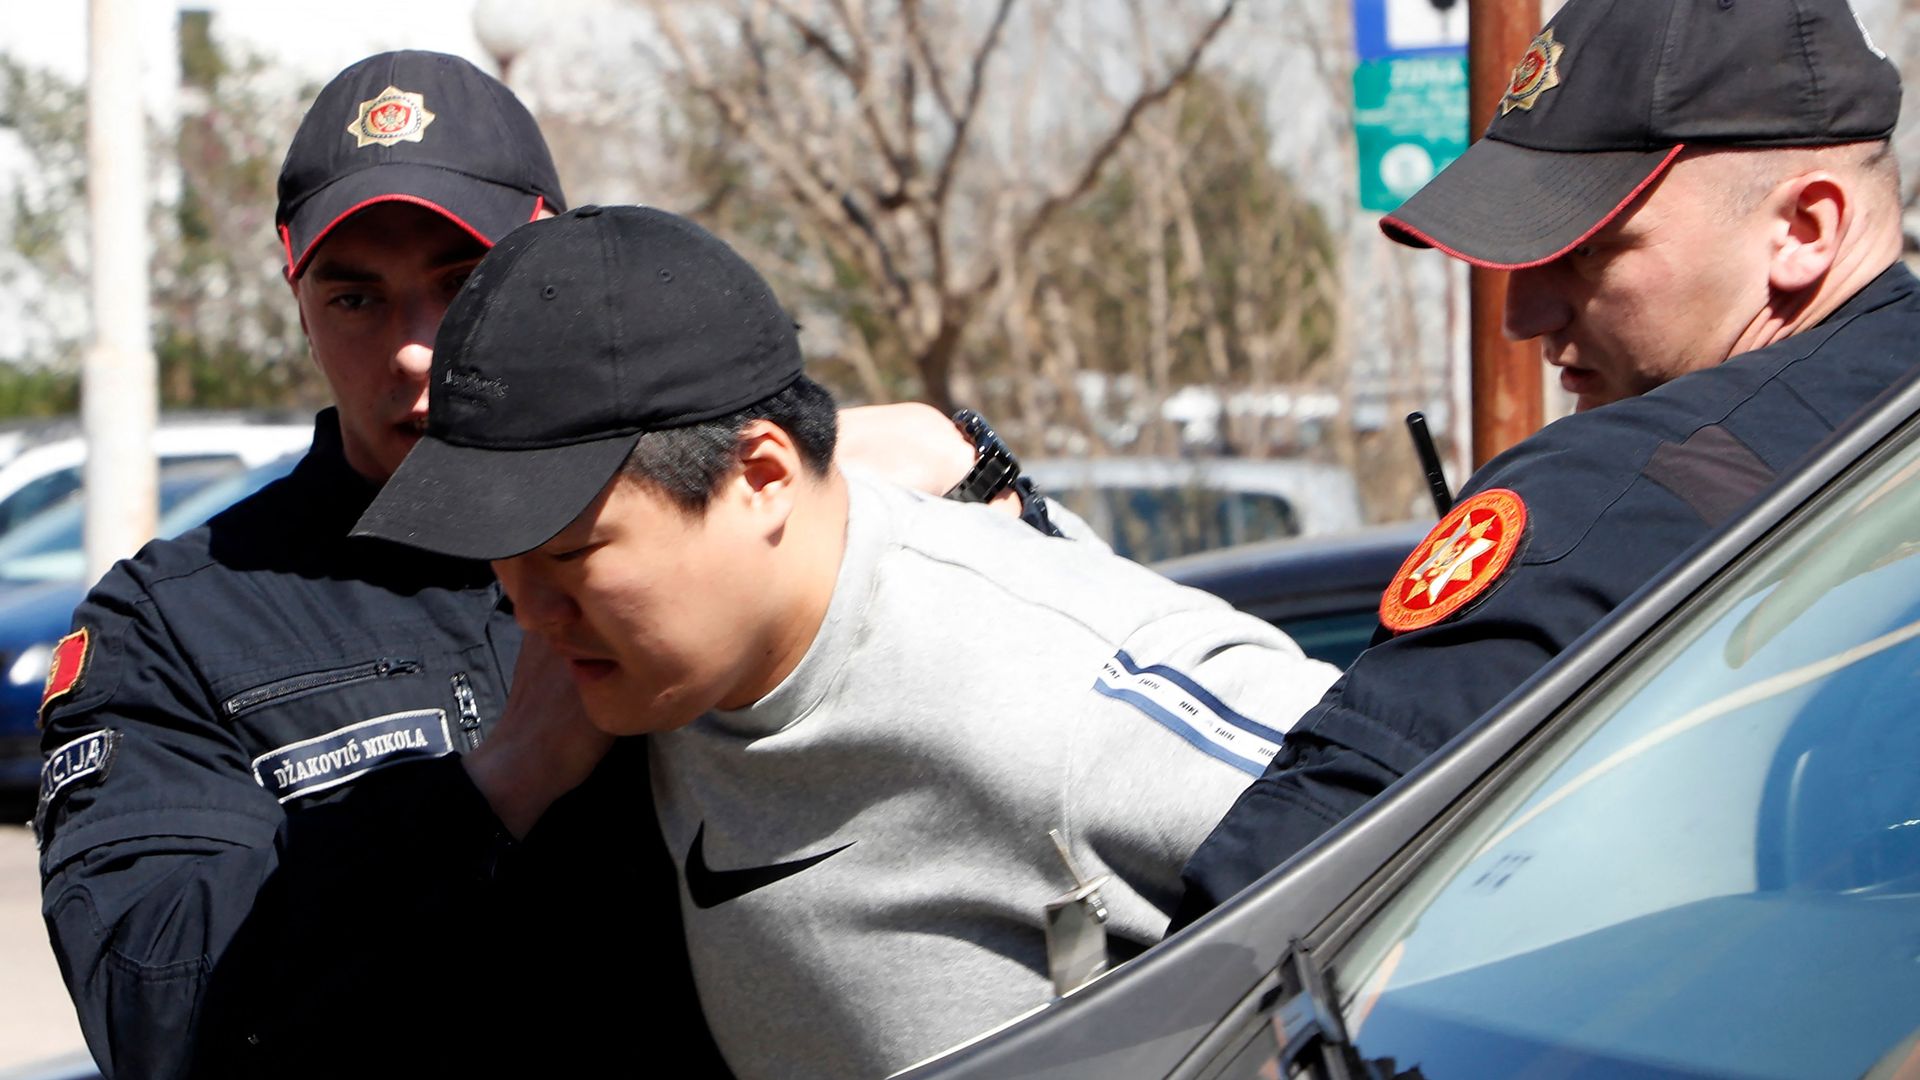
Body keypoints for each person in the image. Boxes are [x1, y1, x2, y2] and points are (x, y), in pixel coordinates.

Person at [34, 50, 1013, 1078]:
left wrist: (963, 475)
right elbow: (152, 1009)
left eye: (460, 284)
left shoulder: (721, 516)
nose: (415, 349)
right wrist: (502, 778)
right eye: (356, 299)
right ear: (298, 296)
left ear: (545, 270)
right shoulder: (173, 624)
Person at [350, 203, 1342, 1079]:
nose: (529, 613)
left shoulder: (1056, 694)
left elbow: (1443, 828)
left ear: (762, 480)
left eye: (571, 554)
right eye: (503, 559)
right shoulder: (650, 680)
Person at [1176, 0, 1919, 923]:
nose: (1522, 318)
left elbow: (1262, 929)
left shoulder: (1605, 501)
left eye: (1591, 251)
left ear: (1806, 228)